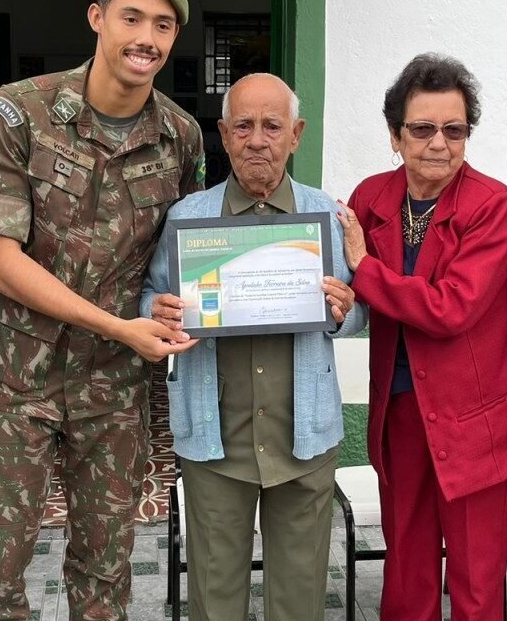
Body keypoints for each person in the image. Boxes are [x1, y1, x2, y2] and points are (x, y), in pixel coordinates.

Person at [0, 0, 204, 620]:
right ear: (97, 17)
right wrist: (120, 325)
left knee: (105, 572)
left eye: (162, 25)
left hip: (113, 386)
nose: (146, 39)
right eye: (132, 18)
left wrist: (168, 300)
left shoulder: (180, 137)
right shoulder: (18, 114)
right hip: (15, 383)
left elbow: (179, 252)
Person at [143, 73, 366, 621]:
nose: (258, 140)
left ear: (296, 134)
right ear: (224, 135)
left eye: (272, 126)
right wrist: (156, 311)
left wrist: (345, 311)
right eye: (243, 126)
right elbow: (151, 293)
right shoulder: (188, 218)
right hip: (216, 440)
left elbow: (361, 309)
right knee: (215, 596)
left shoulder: (328, 217)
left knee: (300, 599)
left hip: (302, 437)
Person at [335, 54, 507, 620]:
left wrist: (365, 271)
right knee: (407, 568)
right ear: (395, 135)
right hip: (400, 409)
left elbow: (452, 308)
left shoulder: (493, 206)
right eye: (422, 129)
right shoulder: (371, 198)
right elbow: (350, 295)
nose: (439, 143)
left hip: (475, 420)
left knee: (477, 580)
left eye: (455, 129)